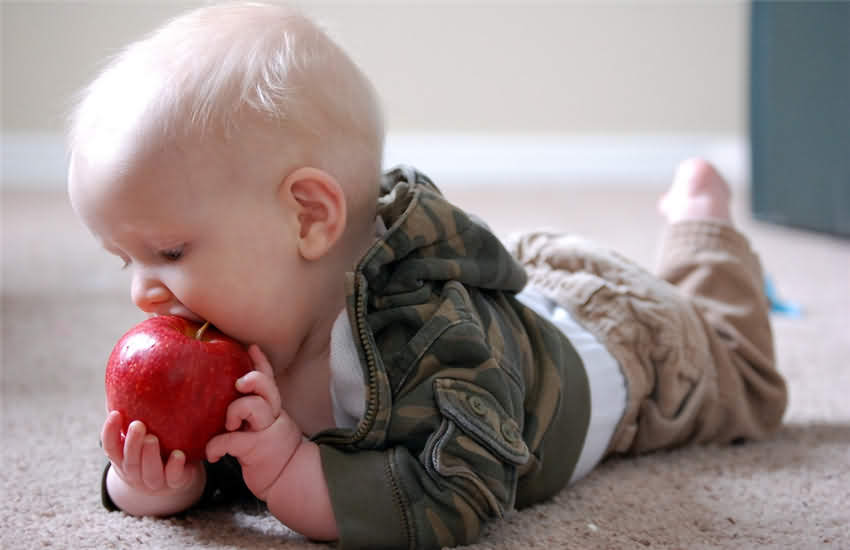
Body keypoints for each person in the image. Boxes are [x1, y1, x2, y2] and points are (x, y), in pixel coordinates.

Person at [66, 3, 788, 549]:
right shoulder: (239, 329)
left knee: (741, 375)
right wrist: (158, 482)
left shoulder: (433, 338)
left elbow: (461, 489)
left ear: (308, 219)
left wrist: (289, 468)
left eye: (167, 253)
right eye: (123, 259)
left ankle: (704, 223)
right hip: (526, 298)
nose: (142, 292)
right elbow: (219, 460)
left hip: (626, 349)